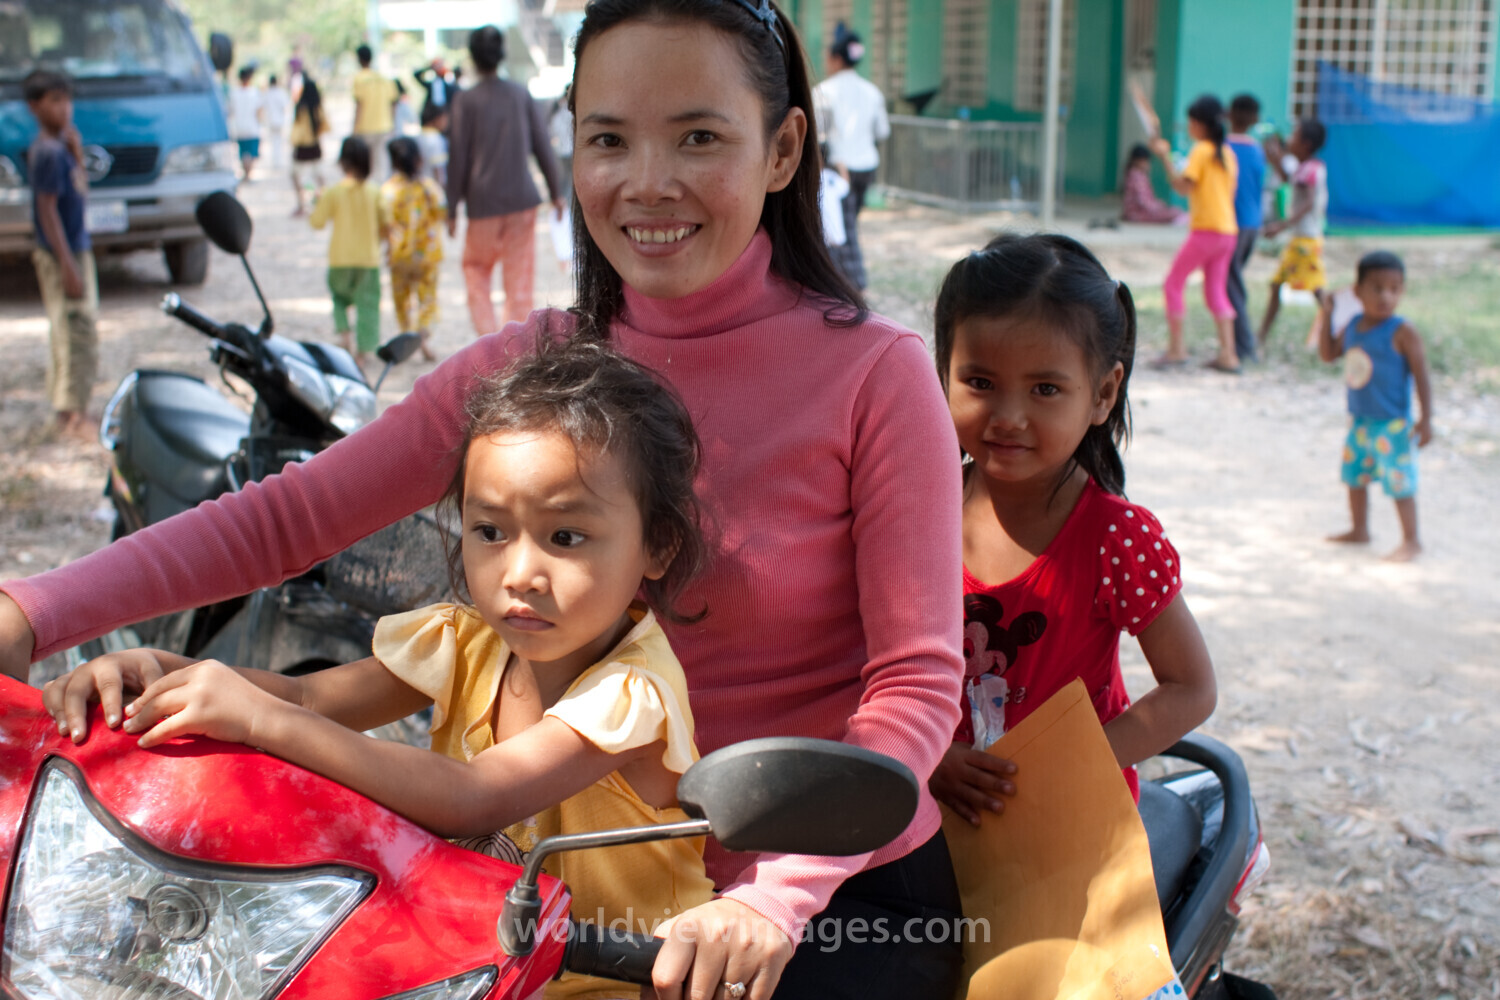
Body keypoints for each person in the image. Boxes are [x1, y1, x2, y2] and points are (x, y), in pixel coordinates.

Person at [0, 1, 966, 997]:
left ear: (784, 148)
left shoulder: (875, 376)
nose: (647, 181)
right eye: (607, 139)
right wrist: (34, 609)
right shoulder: (535, 373)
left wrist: (775, 894)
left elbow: (915, 683)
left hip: (829, 899)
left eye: (699, 137)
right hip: (557, 895)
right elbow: (285, 518)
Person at [42, 337, 719, 1000]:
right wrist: (156, 670)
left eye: (565, 537)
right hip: (485, 970)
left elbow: (474, 795)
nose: (519, 574)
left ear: (657, 546)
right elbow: (308, 697)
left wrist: (261, 718)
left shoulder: (634, 691)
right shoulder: (466, 641)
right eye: (490, 531)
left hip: (621, 980)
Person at [927, 233, 1217, 825]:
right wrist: (926, 755)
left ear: (1103, 393)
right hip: (934, 812)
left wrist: (1074, 766)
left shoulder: (1117, 540)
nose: (1008, 417)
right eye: (979, 383)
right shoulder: (915, 509)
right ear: (942, 373)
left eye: (1045, 389)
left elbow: (1191, 688)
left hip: (1073, 827)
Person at [447, 25, 566, 334]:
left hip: (482, 203)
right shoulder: (520, 94)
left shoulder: (465, 101)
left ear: (472, 58)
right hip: (521, 201)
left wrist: (450, 209)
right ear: (501, 56)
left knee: (476, 270)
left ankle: (487, 341)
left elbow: (457, 158)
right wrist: (556, 193)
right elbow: (542, 145)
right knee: (519, 281)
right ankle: (510, 350)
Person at [1317, 251, 1433, 563]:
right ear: (1357, 292)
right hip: (1359, 421)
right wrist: (1327, 313)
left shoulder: (1403, 331)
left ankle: (1412, 540)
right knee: (1354, 478)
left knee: (1400, 483)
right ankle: (1359, 530)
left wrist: (1426, 420)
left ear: (1402, 291)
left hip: (1393, 424)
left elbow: (1422, 375)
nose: (1386, 296)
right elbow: (1328, 355)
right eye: (1377, 288)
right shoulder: (1353, 324)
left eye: (1394, 289)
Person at [23, 69, 99, 442]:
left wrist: (78, 154)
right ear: (34, 106)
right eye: (54, 101)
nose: (64, 109)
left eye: (67, 100)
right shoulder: (47, 153)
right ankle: (73, 411)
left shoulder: (62, 147)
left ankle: (68, 405)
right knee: (76, 327)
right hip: (63, 253)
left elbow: (80, 191)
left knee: (69, 326)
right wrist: (68, 265)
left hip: (74, 247)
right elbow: (47, 211)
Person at [1150, 94, 1241, 374]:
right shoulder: (1228, 154)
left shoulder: (1201, 150)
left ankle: (1177, 350)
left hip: (1207, 231)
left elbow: (1182, 187)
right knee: (1215, 291)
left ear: (1200, 124)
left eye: (1191, 121)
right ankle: (1229, 355)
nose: (1188, 126)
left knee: (1173, 283)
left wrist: (1163, 155)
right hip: (1228, 232)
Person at [813, 21, 888, 291]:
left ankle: (850, 283)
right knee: (847, 226)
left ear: (835, 58)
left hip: (838, 168)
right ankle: (845, 281)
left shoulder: (824, 91)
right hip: (866, 167)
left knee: (840, 232)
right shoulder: (873, 92)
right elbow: (882, 131)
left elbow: (818, 135)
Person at [311, 137, 387, 368]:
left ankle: (345, 336)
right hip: (367, 260)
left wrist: (316, 200)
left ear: (342, 162)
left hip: (339, 259)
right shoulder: (375, 192)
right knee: (368, 305)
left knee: (339, 299)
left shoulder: (332, 193)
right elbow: (385, 224)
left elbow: (317, 222)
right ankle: (363, 353)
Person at [1258, 118, 1329, 349]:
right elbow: (1290, 180)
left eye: (1295, 136)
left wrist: (1282, 225)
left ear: (1306, 144)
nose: (1290, 139)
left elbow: (1307, 202)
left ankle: (1339, 327)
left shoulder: (1312, 169)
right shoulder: (1303, 167)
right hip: (1300, 239)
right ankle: (1260, 338)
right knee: (1277, 285)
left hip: (1305, 241)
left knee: (1316, 291)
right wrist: (1275, 160)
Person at [384, 136, 445, 360]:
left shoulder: (389, 190)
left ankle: (408, 338)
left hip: (399, 256)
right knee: (427, 299)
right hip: (427, 255)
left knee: (403, 300)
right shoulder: (429, 187)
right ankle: (422, 337)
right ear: (419, 160)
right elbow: (442, 210)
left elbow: (383, 222)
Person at [1224, 94, 1267, 365]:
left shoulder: (1224, 148)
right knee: (1233, 282)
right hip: (1252, 225)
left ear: (1230, 115)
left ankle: (1244, 346)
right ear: (1255, 119)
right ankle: (1238, 343)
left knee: (1231, 284)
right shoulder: (1257, 150)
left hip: (1232, 225)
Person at [351, 43, 398, 180]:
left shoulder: (359, 78)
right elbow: (393, 102)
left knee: (366, 164)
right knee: (381, 163)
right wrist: (392, 123)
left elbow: (359, 105)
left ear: (359, 59)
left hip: (365, 128)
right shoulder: (383, 78)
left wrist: (354, 129)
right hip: (385, 126)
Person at [289, 75, 330, 218]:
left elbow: (297, 131)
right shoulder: (318, 108)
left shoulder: (301, 108)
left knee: (296, 176)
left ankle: (302, 205)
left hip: (302, 148)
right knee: (319, 176)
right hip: (315, 146)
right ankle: (323, 202)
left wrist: (293, 142)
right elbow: (325, 127)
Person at [1119, 143, 1186, 225]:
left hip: (1138, 212)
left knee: (1175, 211)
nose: (1148, 164)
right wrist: (1158, 206)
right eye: (1145, 161)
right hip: (1137, 214)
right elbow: (1143, 202)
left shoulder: (1137, 174)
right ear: (1137, 160)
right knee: (1174, 213)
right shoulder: (1136, 175)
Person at [227, 65, 263, 181]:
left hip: (239, 127)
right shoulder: (254, 92)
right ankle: (248, 174)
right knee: (251, 153)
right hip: (252, 128)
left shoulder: (234, 93)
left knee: (243, 153)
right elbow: (259, 111)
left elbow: (230, 111)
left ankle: (246, 174)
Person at [817, 140, 849, 250]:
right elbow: (845, 187)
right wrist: (842, 167)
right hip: (835, 238)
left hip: (822, 239)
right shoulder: (832, 177)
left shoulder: (817, 179)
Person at [418, 103, 450, 188]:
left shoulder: (418, 136)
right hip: (434, 187)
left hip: (421, 185)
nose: (446, 122)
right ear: (436, 119)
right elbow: (438, 169)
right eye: (444, 118)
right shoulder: (436, 139)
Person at [414, 57, 455, 121]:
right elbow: (416, 75)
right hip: (431, 110)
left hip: (445, 111)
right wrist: (430, 67)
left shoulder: (448, 84)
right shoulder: (431, 84)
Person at [263, 73, 290, 168]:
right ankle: (278, 161)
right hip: (279, 120)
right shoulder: (281, 93)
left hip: (270, 120)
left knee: (274, 141)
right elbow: (285, 107)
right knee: (279, 141)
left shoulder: (267, 93)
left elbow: (263, 106)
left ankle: (275, 161)